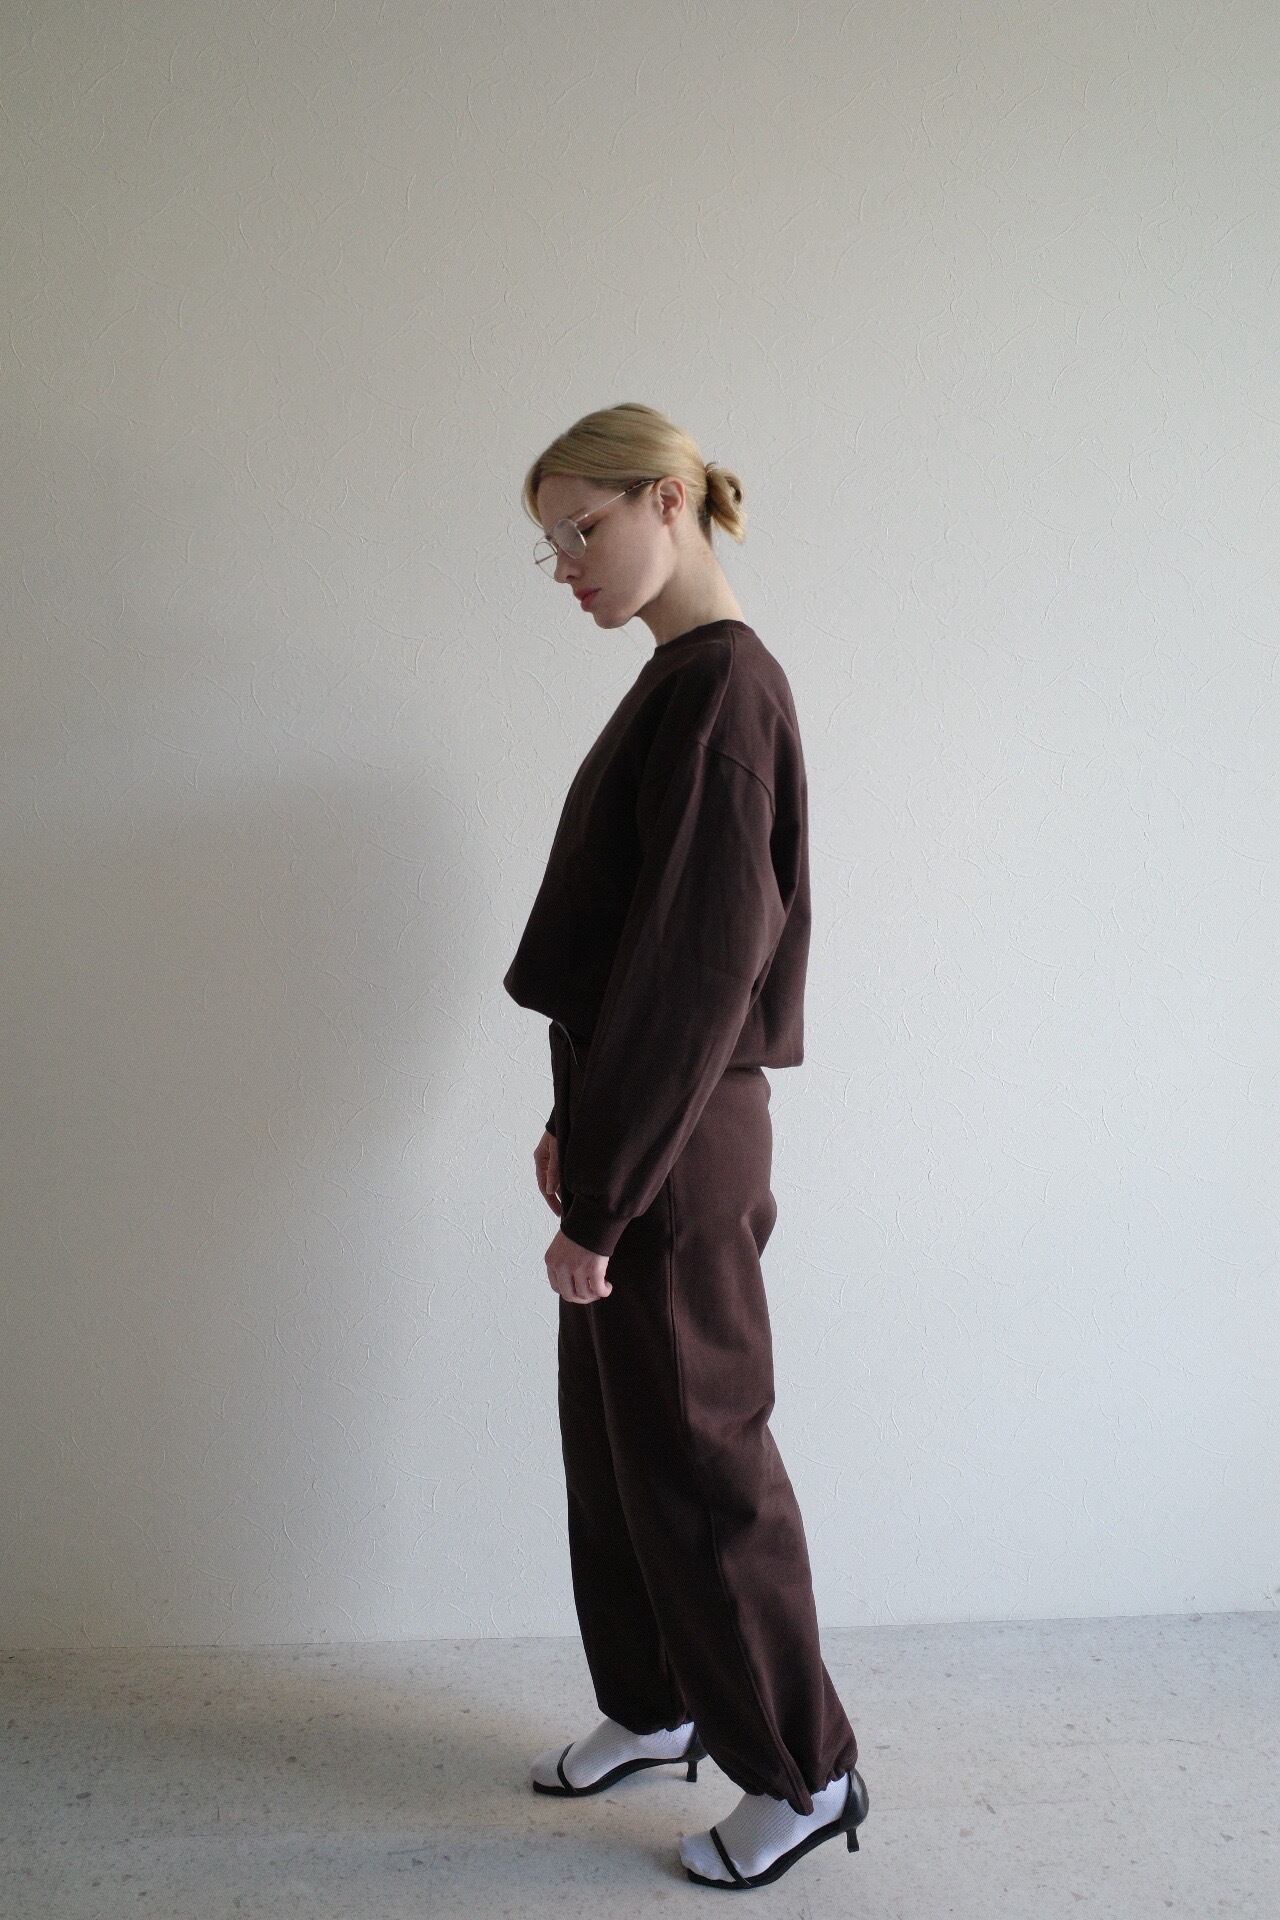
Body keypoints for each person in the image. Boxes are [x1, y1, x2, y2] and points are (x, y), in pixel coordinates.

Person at [502, 402, 868, 1890]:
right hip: (634, 1115)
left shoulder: (724, 690)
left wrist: (603, 1195)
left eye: (582, 528)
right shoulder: (677, 681)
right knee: (617, 1442)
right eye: (550, 545)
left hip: (682, 1132)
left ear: (668, 498)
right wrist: (571, 1124)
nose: (568, 565)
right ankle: (656, 1708)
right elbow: (627, 952)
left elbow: (702, 970)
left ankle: (805, 1770)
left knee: (704, 1451)